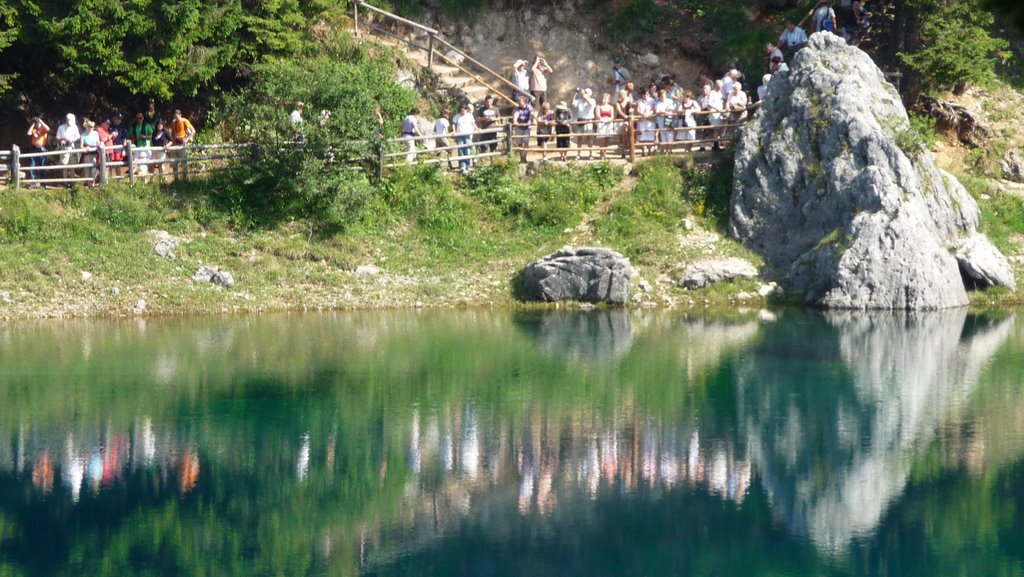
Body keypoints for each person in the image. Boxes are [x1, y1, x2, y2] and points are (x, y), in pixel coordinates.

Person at [55, 113, 81, 186]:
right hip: (64, 148)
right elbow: (57, 138)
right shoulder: (61, 127)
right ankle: (65, 182)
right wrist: (63, 139)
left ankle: (72, 182)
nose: (68, 120)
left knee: (72, 166)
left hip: (72, 148)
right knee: (65, 166)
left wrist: (72, 139)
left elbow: (78, 137)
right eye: (67, 119)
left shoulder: (75, 127)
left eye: (70, 119)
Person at [169, 109, 196, 179]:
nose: (176, 118)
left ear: (180, 115)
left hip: (181, 144)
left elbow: (193, 131)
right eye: (175, 116)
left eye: (177, 116)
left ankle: (185, 179)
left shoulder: (185, 121)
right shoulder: (173, 122)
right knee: (174, 163)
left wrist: (187, 139)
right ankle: (176, 179)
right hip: (174, 144)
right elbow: (172, 133)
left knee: (184, 162)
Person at [26, 116, 50, 187]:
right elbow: (28, 133)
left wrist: (41, 121)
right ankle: (32, 183)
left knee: (43, 166)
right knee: (32, 165)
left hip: (42, 149)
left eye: (38, 123)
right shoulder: (34, 130)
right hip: (34, 149)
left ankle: (43, 183)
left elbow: (48, 128)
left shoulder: (44, 129)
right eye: (37, 123)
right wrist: (33, 124)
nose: (38, 124)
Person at [128, 111, 154, 177]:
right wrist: (135, 138)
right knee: (136, 163)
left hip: (145, 147)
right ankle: (137, 178)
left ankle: (145, 178)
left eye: (140, 118)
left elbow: (151, 135)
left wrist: (144, 137)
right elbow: (130, 136)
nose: (139, 119)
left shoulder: (147, 126)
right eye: (137, 118)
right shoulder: (133, 127)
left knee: (144, 164)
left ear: (143, 118)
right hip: (137, 147)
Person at [573, 87, 596, 159]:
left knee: (590, 138)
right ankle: (578, 154)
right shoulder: (579, 100)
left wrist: (585, 96)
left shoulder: (592, 100)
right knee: (579, 138)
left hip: (589, 121)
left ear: (589, 94)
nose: (584, 93)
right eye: (584, 92)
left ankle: (590, 154)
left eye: (586, 92)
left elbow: (591, 105)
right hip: (581, 120)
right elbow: (573, 104)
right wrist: (576, 93)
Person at [453, 104, 477, 173]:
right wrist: (454, 131)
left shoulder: (469, 116)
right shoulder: (457, 116)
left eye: (463, 110)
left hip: (467, 135)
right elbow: (454, 123)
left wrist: (477, 128)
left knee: (467, 150)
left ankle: (468, 166)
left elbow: (473, 123)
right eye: (461, 110)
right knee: (461, 150)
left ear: (466, 110)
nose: (462, 112)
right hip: (460, 135)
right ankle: (462, 166)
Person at [511, 95, 534, 162]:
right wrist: (515, 121)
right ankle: (521, 157)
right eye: (518, 101)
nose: (519, 102)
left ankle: (525, 156)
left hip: (526, 127)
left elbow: (531, 116)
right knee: (519, 143)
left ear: (524, 102)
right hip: (519, 127)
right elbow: (516, 115)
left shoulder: (529, 108)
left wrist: (529, 122)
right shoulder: (517, 109)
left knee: (526, 142)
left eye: (520, 101)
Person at [706, 81, 725, 151]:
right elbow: (709, 103)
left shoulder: (720, 93)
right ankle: (715, 146)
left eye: (721, 87)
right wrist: (717, 109)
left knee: (719, 130)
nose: (720, 88)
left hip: (719, 115)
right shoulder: (712, 93)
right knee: (716, 130)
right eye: (719, 87)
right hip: (714, 114)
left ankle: (716, 145)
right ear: (716, 86)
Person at [595, 93, 615, 158]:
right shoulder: (599, 106)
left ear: (608, 100)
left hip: (609, 123)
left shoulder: (611, 107)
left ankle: (605, 152)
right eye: (603, 98)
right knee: (602, 138)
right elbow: (598, 115)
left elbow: (612, 116)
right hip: (602, 123)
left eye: (605, 98)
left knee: (607, 138)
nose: (603, 99)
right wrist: (603, 120)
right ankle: (601, 151)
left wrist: (609, 120)